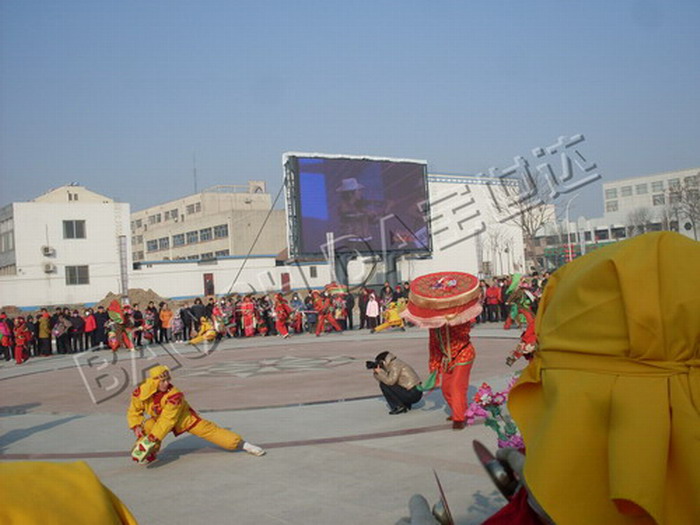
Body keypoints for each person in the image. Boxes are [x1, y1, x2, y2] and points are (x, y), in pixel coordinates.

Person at [127, 365, 265, 463]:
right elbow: (134, 410)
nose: (167, 383)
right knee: (147, 426)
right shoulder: (142, 392)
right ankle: (150, 454)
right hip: (158, 421)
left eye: (168, 379)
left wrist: (152, 437)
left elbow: (168, 420)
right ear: (154, 381)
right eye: (163, 381)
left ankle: (245, 445)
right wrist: (136, 426)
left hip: (183, 419)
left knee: (209, 430)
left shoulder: (174, 395)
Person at [401, 272, 482, 430]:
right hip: (447, 359)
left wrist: (452, 318)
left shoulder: (459, 320)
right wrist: (434, 368)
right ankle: (460, 411)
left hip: (464, 354)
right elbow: (434, 346)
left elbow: (465, 330)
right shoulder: (434, 327)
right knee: (446, 388)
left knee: (458, 387)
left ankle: (459, 418)